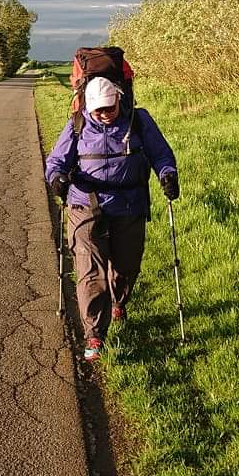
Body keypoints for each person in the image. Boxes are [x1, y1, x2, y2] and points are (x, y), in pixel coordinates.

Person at [44, 76, 178, 362]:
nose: (105, 114)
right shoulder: (78, 124)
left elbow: (161, 154)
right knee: (90, 270)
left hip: (129, 204)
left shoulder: (138, 120)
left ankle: (118, 301)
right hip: (85, 204)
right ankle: (94, 334)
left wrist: (167, 174)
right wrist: (56, 179)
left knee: (126, 266)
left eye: (109, 108)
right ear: (89, 107)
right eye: (99, 110)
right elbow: (56, 162)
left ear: (119, 99)